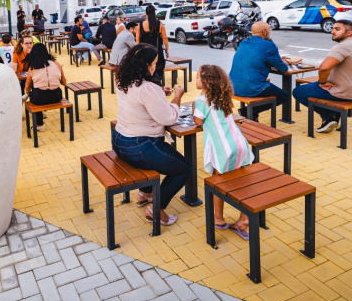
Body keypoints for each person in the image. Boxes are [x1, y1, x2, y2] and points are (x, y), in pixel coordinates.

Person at [113, 44, 189, 226]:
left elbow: (138, 99)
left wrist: (160, 93)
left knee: (154, 160)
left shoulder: (123, 80)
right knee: (184, 168)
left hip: (119, 141)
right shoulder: (147, 88)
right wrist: (177, 96)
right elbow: (168, 118)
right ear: (145, 65)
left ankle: (145, 193)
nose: (155, 67)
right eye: (154, 63)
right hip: (139, 146)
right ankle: (157, 208)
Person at [192, 64, 254, 239]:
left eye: (197, 77)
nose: (195, 79)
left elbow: (198, 122)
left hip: (222, 147)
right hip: (239, 143)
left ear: (206, 82)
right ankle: (244, 218)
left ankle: (218, 219)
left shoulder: (201, 100)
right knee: (242, 181)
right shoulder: (223, 96)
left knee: (218, 183)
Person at [293, 20, 352, 133]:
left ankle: (329, 116)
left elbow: (324, 68)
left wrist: (322, 83)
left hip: (342, 92)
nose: (332, 31)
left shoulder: (343, 46)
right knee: (311, 86)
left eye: (337, 29)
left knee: (298, 92)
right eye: (333, 28)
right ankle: (333, 114)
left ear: (349, 33)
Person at [229, 21, 295, 121]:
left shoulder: (244, 42)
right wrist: (284, 62)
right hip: (251, 87)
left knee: (266, 85)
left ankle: (252, 114)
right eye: (269, 31)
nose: (270, 33)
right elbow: (283, 68)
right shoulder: (268, 45)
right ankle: (250, 111)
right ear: (264, 32)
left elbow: (255, 58)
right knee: (284, 96)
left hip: (233, 85)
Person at [25, 43, 67, 128]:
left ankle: (39, 124)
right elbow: (64, 83)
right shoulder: (57, 64)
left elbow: (27, 86)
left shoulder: (33, 67)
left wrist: (28, 93)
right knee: (37, 91)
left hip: (39, 99)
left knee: (34, 91)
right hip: (56, 96)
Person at [137, 4, 169, 84]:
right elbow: (165, 38)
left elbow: (137, 40)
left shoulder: (140, 25)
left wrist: (137, 52)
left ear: (146, 13)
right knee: (158, 72)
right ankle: (158, 87)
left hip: (144, 53)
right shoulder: (160, 24)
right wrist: (167, 50)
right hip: (157, 52)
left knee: (145, 72)